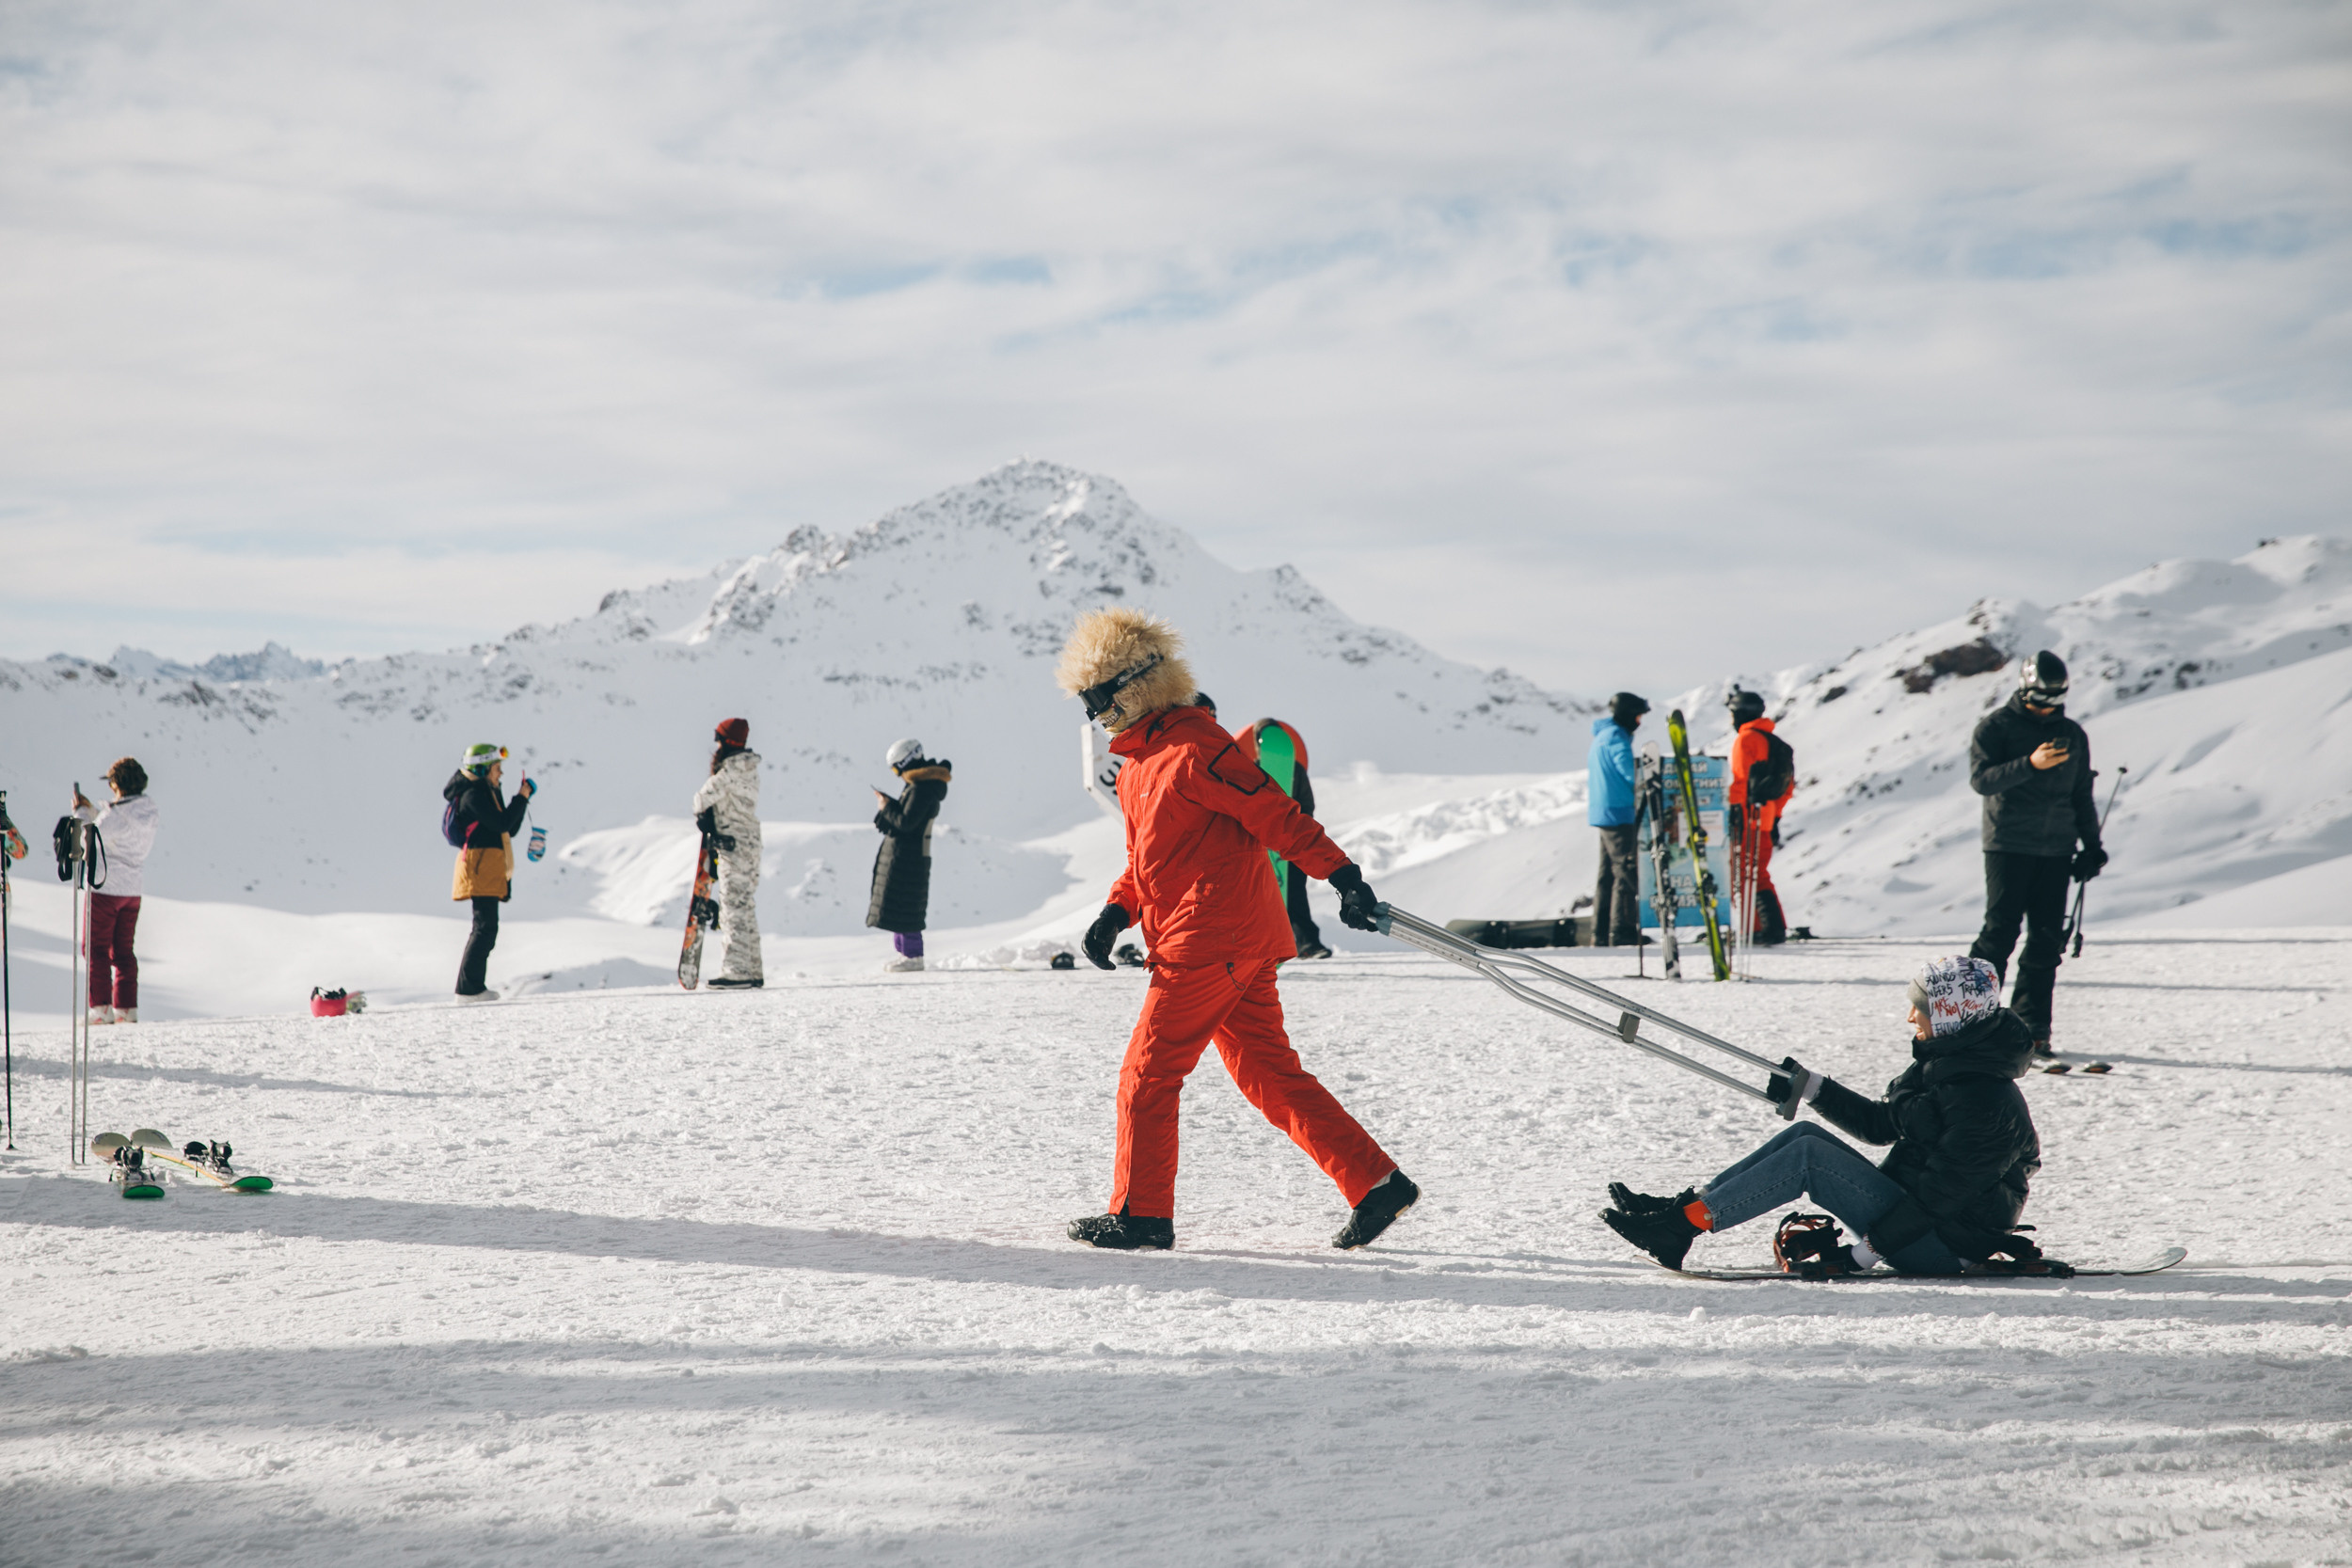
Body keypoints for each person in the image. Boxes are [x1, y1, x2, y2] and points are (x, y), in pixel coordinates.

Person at [1056, 606, 1417, 1252]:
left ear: (1135, 685)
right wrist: (1115, 912)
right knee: (1269, 1074)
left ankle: (1143, 1214)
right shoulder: (1139, 765)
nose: (1095, 714)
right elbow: (1147, 863)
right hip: (1223, 939)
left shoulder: (1197, 747)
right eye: (1086, 703)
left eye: (1099, 698)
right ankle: (1375, 1182)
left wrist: (1342, 875)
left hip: (1210, 938)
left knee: (1148, 1074)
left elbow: (1276, 814)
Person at [1599, 956, 2063, 1276]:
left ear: (1949, 1016)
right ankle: (1682, 1211)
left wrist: (1859, 1258)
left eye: (1920, 1008)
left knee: (1809, 1158)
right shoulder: (1952, 1063)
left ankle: (1679, 1229)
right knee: (1805, 1134)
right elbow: (1883, 1126)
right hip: (1915, 1218)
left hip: (1939, 1243)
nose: (1910, 1017)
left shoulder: (1986, 1102)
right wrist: (1809, 1086)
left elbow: (1940, 1198)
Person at [1966, 651, 2105, 1053]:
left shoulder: (2073, 735)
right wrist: (2030, 763)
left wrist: (2092, 846)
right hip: (2007, 844)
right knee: (1999, 935)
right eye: (2041, 699)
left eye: (2056, 700)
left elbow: (2081, 793)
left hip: (2057, 849)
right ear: (2026, 689)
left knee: (2046, 941)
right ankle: (1971, 1022)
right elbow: (1982, 780)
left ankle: (2032, 1030)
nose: (2048, 708)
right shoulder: (1995, 727)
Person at [72, 758, 159, 1025]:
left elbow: (88, 840)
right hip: (132, 889)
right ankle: (126, 1007)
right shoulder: (148, 812)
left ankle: (100, 1008)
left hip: (105, 887)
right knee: (123, 950)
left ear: (117, 784)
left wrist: (82, 813)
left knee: (95, 948)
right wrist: (95, 813)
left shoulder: (116, 815)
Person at [443, 744, 533, 1002]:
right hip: (480, 866)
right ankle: (468, 990)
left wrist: (521, 799)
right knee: (484, 928)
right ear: (483, 769)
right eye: (496, 768)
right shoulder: (474, 794)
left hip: (487, 865)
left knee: (486, 928)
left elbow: (508, 828)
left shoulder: (486, 792)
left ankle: (472, 988)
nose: (500, 774)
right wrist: (521, 798)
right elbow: (502, 822)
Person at [1238, 717, 1330, 959]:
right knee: (1274, 896)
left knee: (1293, 894)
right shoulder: (1255, 768)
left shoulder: (1280, 770)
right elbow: (1306, 805)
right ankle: (1272, 946)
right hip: (1276, 843)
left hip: (1286, 842)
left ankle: (1306, 943)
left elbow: (1306, 805)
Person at [867, 739, 951, 973]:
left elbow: (906, 822)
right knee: (900, 903)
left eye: (896, 769)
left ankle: (913, 956)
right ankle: (905, 953)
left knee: (907, 904)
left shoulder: (921, 788)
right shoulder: (920, 786)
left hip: (909, 856)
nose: (897, 774)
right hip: (907, 855)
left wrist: (886, 807)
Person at [692, 718, 764, 990]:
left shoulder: (728, 771)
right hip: (750, 843)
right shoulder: (749, 768)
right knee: (745, 905)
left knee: (733, 907)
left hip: (732, 844)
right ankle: (752, 969)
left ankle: (737, 971)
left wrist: (706, 819)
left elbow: (700, 799)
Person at [1724, 688, 1795, 945]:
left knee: (1745, 874)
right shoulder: (1773, 741)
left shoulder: (1746, 739)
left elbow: (1741, 782)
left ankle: (1758, 929)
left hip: (1746, 818)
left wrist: (1733, 813)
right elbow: (1787, 789)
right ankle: (1769, 928)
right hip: (1764, 819)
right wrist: (1773, 817)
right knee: (1757, 873)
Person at [1587, 692, 1646, 946]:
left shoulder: (1602, 736)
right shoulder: (1616, 738)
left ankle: (1600, 932)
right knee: (1626, 870)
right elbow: (1630, 772)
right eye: (1637, 716)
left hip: (1604, 812)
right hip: (1619, 812)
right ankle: (1622, 931)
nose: (1639, 722)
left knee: (1607, 875)